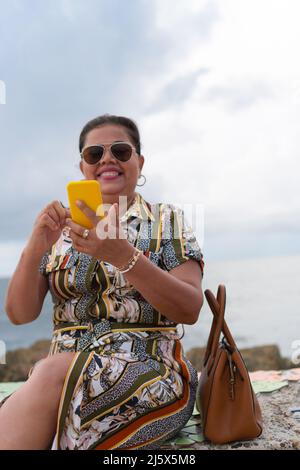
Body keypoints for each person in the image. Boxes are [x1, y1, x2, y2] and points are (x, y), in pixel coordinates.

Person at [0, 114, 205, 450]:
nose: (107, 159)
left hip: (146, 369)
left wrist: (123, 255)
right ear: (83, 166)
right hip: (60, 376)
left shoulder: (167, 220)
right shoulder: (60, 228)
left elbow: (190, 307)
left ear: (139, 162)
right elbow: (20, 314)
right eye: (94, 154)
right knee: (53, 378)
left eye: (120, 151)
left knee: (51, 376)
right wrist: (36, 244)